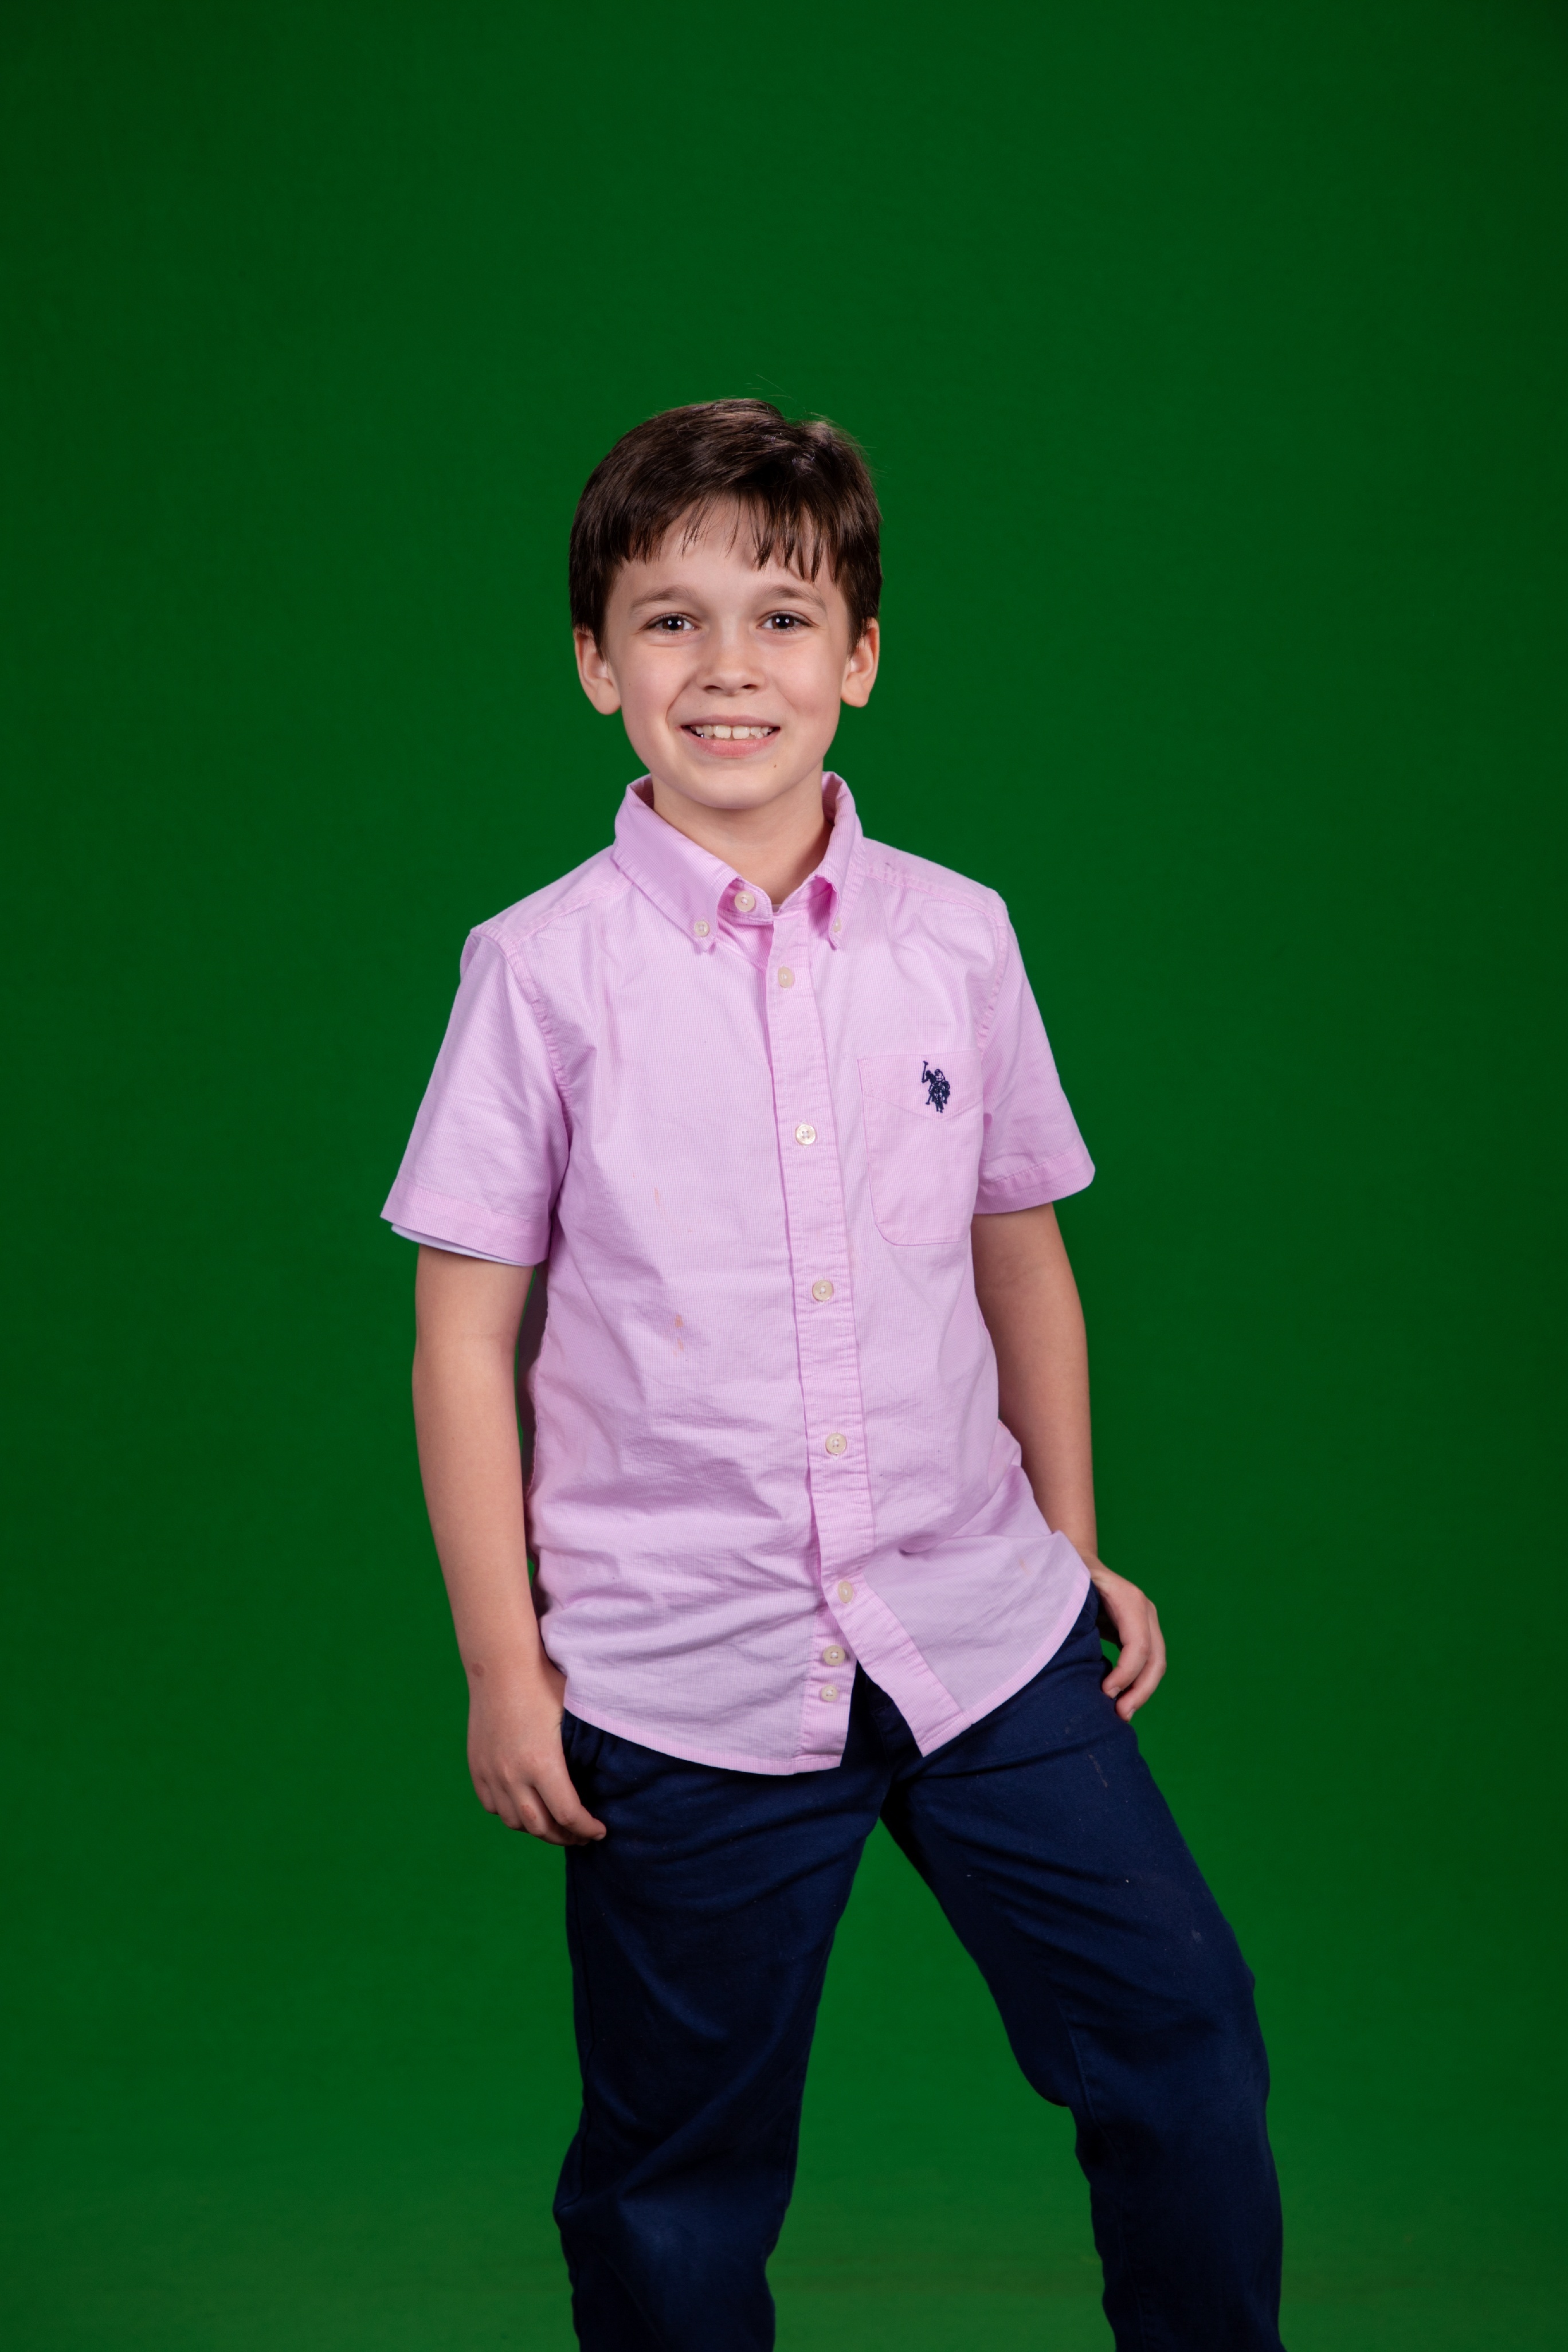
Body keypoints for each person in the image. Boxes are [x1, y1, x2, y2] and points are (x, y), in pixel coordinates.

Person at [383, 399, 1285, 2350]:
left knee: (1183, 2039)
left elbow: (1019, 1248)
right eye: (671, 621)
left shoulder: (958, 938)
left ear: (859, 659)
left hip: (980, 1624)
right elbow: (464, 1337)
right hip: (679, 1670)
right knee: (677, 2175)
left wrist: (1073, 1543)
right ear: (596, 665)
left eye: (783, 619)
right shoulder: (538, 972)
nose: (730, 669)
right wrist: (504, 1667)